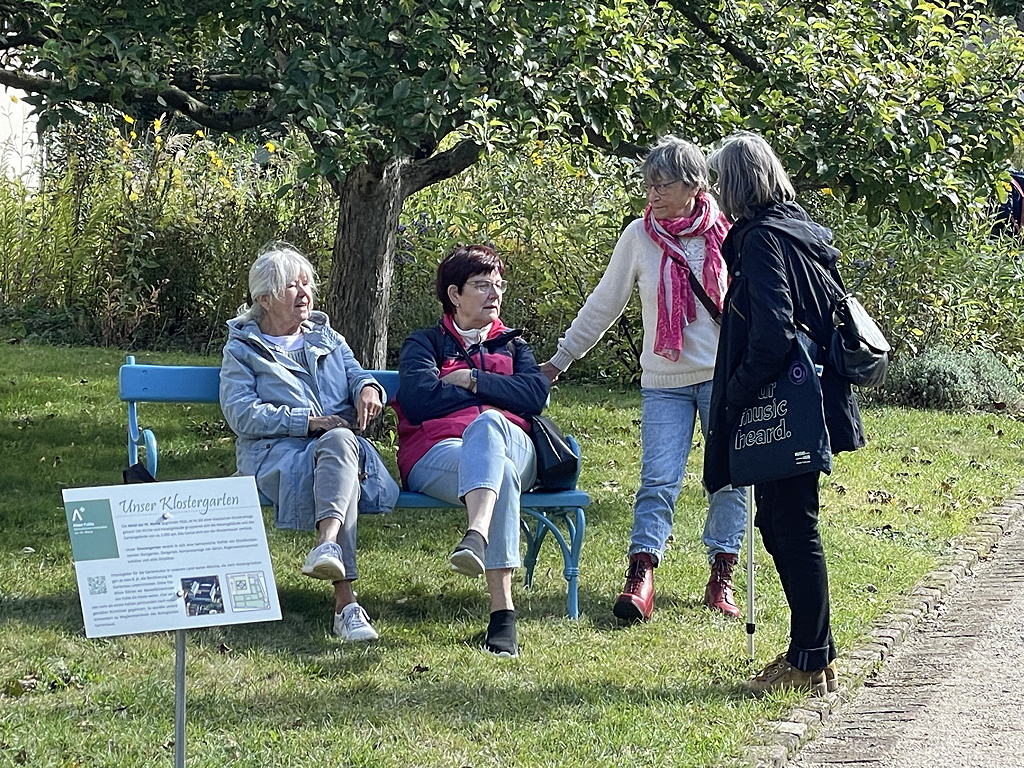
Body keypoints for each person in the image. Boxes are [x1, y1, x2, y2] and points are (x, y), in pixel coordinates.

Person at [540, 136, 746, 623]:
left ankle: (722, 574)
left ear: (695, 185)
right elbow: (604, 304)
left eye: (663, 184)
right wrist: (559, 361)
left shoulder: (730, 233)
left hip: (723, 377)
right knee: (657, 479)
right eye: (647, 184)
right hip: (664, 380)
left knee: (729, 481)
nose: (651, 193)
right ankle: (642, 572)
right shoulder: (639, 236)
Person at [703, 131, 866, 696]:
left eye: (719, 183)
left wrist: (736, 393)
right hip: (812, 399)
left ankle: (808, 659)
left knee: (790, 526)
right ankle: (815, 653)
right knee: (784, 523)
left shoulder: (761, 241)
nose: (715, 194)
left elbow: (773, 334)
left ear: (735, 186)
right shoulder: (802, 233)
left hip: (785, 406)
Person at [219, 243, 399, 643]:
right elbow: (241, 414)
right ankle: (344, 601)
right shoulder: (243, 350)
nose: (304, 294)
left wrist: (370, 388)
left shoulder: (327, 337)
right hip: (276, 455)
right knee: (340, 458)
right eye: (291, 287)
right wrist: (307, 421)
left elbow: (355, 375)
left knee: (339, 448)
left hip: (338, 451)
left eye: (307, 285)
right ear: (264, 299)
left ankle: (328, 548)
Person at [396, 244, 549, 658]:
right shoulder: (425, 343)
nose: (494, 294)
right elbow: (418, 400)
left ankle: (476, 533)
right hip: (439, 453)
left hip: (516, 448)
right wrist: (501, 393)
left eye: (498, 285)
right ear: (454, 294)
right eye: (482, 285)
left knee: (490, 424)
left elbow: (535, 395)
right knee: (497, 469)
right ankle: (503, 616)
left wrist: (473, 381)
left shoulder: (514, 346)